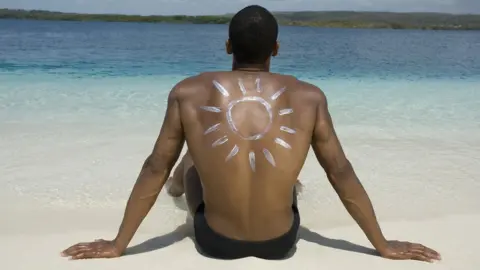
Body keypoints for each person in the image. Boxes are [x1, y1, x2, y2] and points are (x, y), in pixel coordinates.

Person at [61, 5, 441, 261]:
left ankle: (179, 190)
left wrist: (117, 244)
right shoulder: (309, 97)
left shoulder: (187, 92)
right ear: (276, 48)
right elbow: (341, 172)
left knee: (192, 159)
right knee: (288, 178)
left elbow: (154, 166)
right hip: (281, 244)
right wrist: (383, 245)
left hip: (215, 243)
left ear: (228, 45)